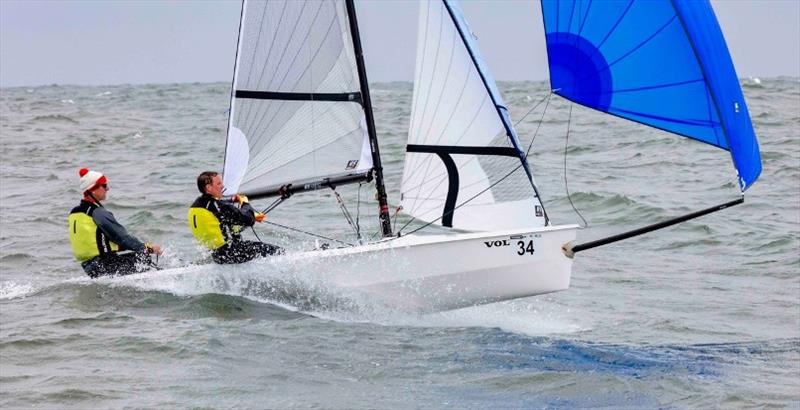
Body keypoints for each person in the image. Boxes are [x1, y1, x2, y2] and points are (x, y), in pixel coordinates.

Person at [68, 168, 162, 278]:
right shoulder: (97, 212)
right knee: (143, 257)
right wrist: (148, 248)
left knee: (138, 255)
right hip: (105, 265)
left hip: (90, 268)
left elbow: (98, 242)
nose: (107, 188)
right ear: (93, 189)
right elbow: (122, 237)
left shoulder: (74, 213)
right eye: (104, 185)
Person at [188, 171, 282, 264]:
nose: (222, 186)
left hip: (217, 256)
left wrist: (253, 216)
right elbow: (248, 220)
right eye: (218, 183)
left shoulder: (196, 206)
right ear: (208, 188)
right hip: (232, 254)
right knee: (278, 252)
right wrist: (244, 202)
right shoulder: (218, 206)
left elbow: (223, 225)